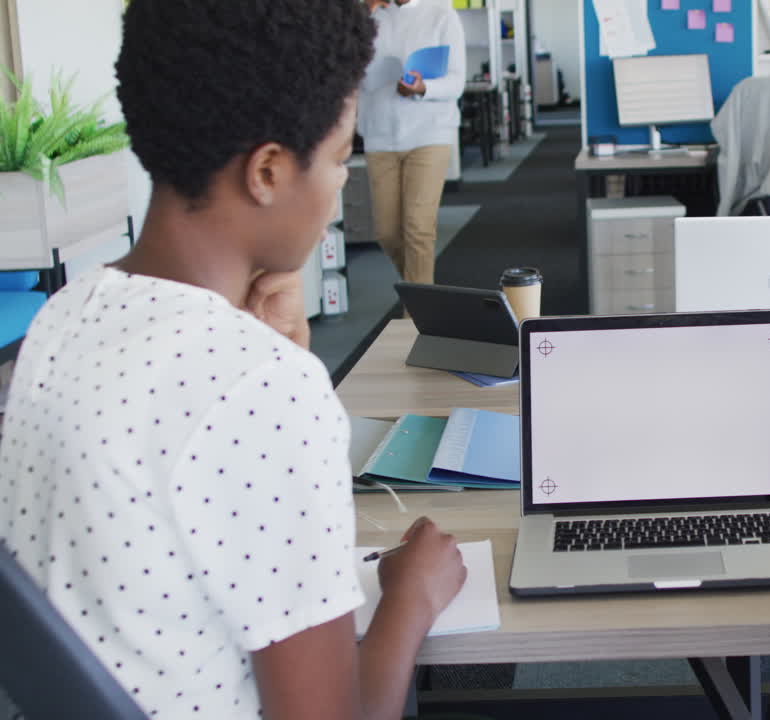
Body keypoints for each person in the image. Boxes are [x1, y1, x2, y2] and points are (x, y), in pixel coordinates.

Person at [0, 2, 466, 718]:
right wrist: (412, 596)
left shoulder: (64, 317)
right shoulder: (259, 388)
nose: (340, 185)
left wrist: (277, 359)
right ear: (268, 172)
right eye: (339, 159)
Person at [359, 0, 466, 285]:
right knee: (387, 233)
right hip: (379, 134)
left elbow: (457, 82)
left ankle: (417, 308)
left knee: (418, 229)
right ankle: (423, 294)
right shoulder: (368, 16)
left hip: (430, 133)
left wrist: (423, 87)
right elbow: (347, 66)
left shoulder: (441, 15)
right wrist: (363, 16)